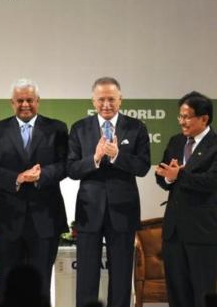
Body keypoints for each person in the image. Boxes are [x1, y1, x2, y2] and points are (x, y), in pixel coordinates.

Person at [0, 79, 68, 301]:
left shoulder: (57, 128)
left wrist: (42, 175)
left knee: (41, 286)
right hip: (7, 220)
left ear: (38, 101)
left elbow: (65, 165)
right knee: (7, 285)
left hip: (45, 219)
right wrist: (17, 178)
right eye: (20, 101)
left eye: (29, 100)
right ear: (12, 103)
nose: (25, 105)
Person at [67, 77, 150, 307]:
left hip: (123, 211)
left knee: (122, 276)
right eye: (101, 99)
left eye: (111, 99)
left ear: (120, 100)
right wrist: (94, 158)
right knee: (86, 276)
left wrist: (117, 156)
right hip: (89, 211)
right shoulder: (79, 128)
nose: (106, 104)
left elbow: (143, 167)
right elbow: (71, 169)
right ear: (93, 101)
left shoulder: (136, 127)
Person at [156, 91, 217, 307]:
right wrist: (168, 178)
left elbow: (211, 181)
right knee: (177, 292)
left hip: (202, 232)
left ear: (204, 118)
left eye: (187, 117)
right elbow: (163, 177)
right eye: (180, 116)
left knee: (203, 292)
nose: (181, 121)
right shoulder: (176, 141)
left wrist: (179, 175)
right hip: (174, 232)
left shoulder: (214, 144)